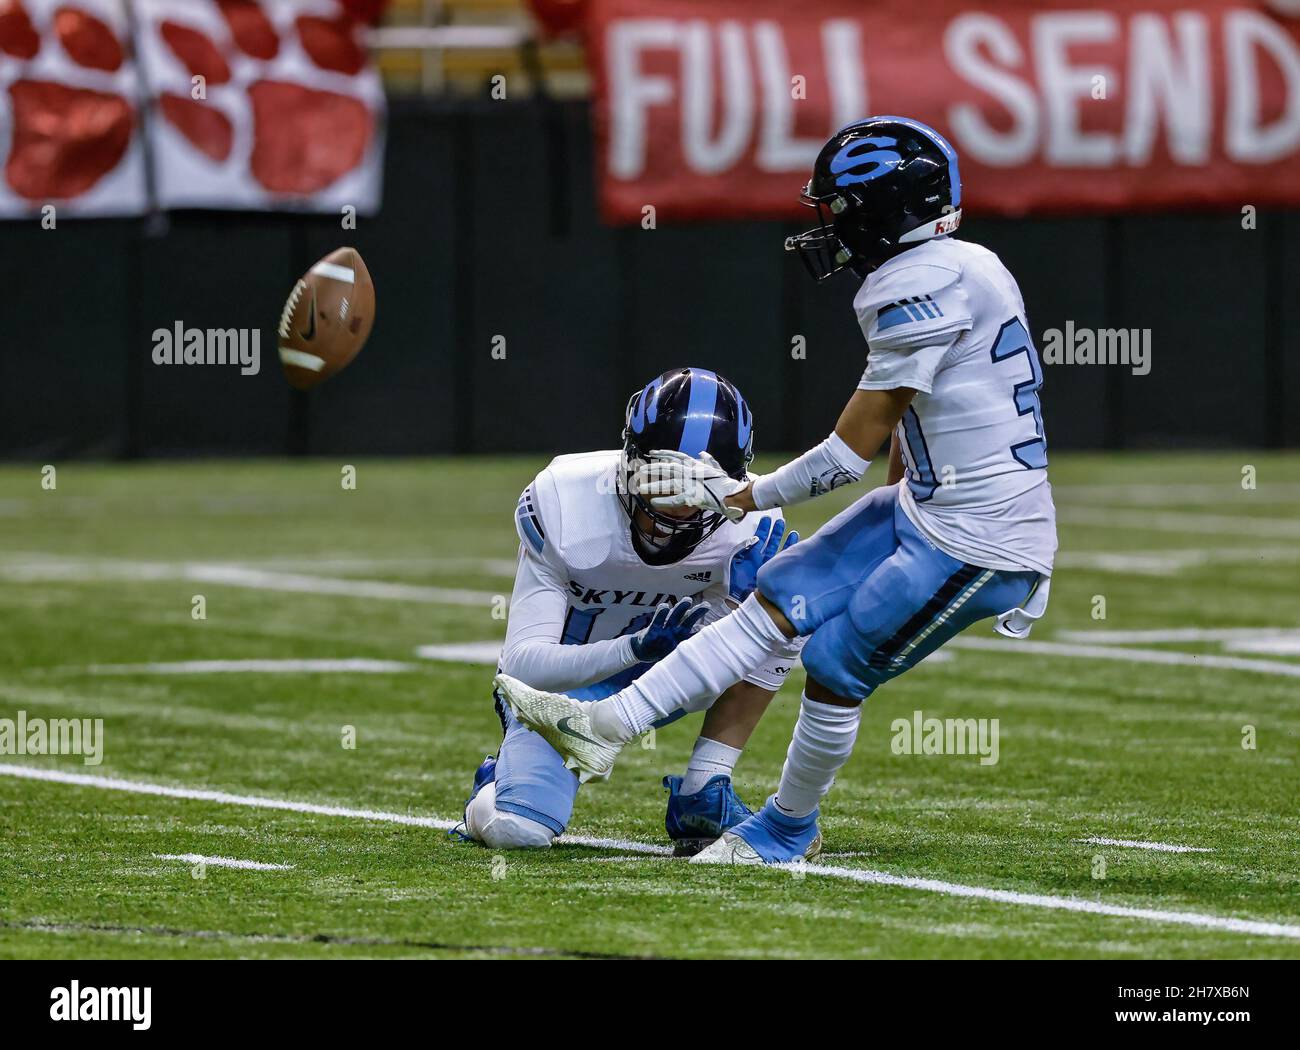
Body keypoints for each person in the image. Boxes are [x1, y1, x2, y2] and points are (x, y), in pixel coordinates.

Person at [496, 116, 1056, 864]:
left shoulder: (909, 285)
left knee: (834, 664)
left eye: (843, 210)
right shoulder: (969, 264)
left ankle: (787, 830)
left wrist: (740, 497)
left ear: (887, 210)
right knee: (781, 592)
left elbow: (843, 456)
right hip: (931, 506)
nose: (832, 226)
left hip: (981, 538)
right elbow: (916, 424)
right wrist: (900, 499)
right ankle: (604, 726)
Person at [458, 367, 806, 856]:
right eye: (664, 478)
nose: (680, 501)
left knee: (786, 605)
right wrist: (632, 649)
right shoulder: (566, 501)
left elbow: (710, 653)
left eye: (701, 484)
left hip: (667, 679)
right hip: (558, 690)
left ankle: (705, 788)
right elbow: (522, 665)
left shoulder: (749, 522)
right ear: (630, 460)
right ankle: (493, 787)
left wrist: (738, 610)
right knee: (519, 831)